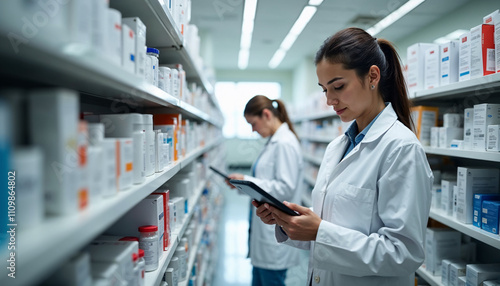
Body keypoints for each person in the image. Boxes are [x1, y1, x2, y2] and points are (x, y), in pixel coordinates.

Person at [253, 27, 433, 286]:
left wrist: (320, 231)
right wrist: (288, 222)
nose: (329, 100)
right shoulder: (337, 146)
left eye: (338, 86)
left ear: (372, 76)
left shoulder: (401, 149)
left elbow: (403, 253)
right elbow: (335, 223)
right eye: (324, 89)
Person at [227, 95, 303, 286]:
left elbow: (284, 188)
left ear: (266, 114)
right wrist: (242, 184)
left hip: (274, 237)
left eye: (253, 123)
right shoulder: (274, 141)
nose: (253, 129)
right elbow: (267, 183)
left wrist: (247, 180)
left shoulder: (285, 143)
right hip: (265, 232)